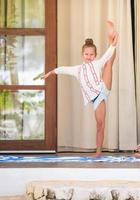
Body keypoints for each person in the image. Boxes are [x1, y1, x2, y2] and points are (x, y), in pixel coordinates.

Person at [42, 21, 118, 157]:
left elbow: (107, 55)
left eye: (91, 54)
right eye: (86, 54)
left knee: (108, 63)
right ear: (82, 54)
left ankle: (98, 152)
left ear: (95, 55)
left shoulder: (96, 63)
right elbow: (63, 69)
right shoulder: (77, 70)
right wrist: (49, 73)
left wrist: (113, 44)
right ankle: (98, 151)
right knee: (99, 125)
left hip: (102, 90)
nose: (89, 57)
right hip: (94, 99)